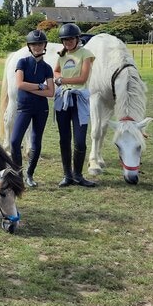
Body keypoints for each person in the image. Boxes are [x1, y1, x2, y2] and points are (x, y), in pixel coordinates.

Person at [53, 23, 97, 188]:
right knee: (64, 139)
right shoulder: (62, 55)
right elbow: (56, 71)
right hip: (63, 99)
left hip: (79, 100)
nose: (68, 42)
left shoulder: (86, 54)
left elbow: (82, 79)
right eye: (65, 40)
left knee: (79, 141)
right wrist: (59, 78)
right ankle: (67, 175)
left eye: (71, 39)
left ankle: (78, 175)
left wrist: (62, 80)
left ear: (77, 39)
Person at [10, 30, 54, 188]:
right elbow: (20, 84)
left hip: (41, 108)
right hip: (24, 107)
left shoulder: (47, 68)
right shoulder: (22, 62)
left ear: (44, 45)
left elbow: (51, 92)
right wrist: (40, 86)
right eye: (34, 44)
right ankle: (18, 174)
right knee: (14, 141)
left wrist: (33, 88)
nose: (37, 46)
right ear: (29, 46)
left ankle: (29, 174)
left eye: (40, 44)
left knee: (36, 142)